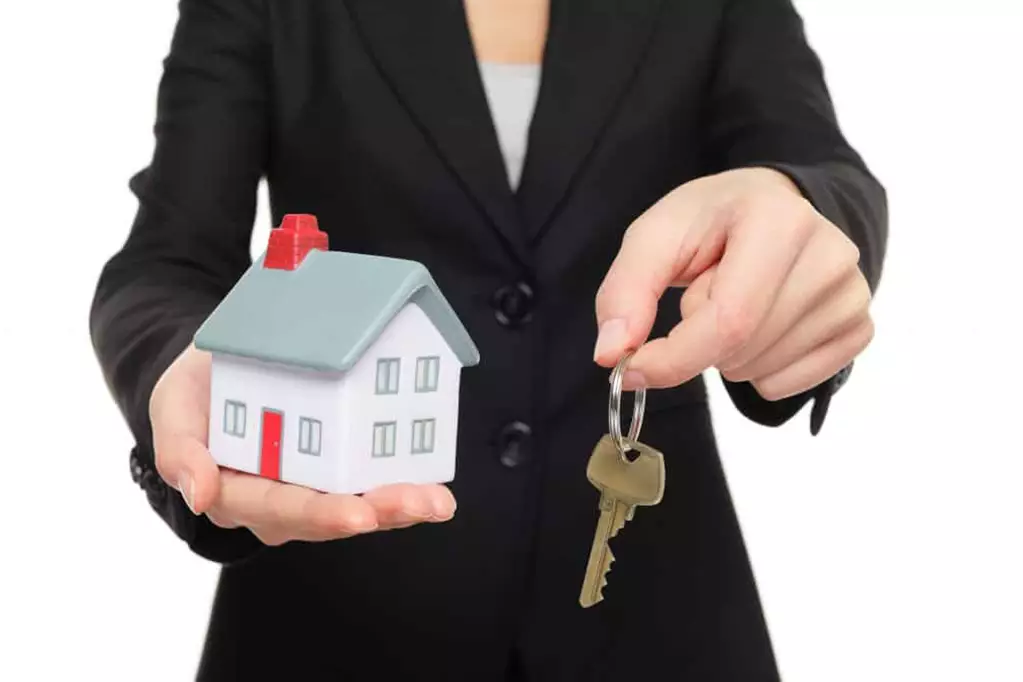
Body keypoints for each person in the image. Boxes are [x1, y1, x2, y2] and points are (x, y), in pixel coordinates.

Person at [89, 0, 887, 679]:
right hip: (332, 611)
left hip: (658, 613)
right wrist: (179, 368)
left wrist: (798, 215)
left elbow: (823, 172)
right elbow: (168, 259)